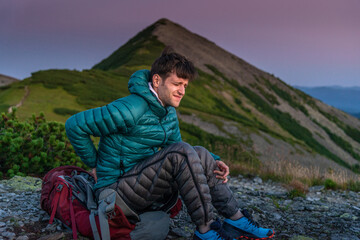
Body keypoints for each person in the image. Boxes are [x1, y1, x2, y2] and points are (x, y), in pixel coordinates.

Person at [65, 47, 275, 240]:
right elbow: (75, 125)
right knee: (183, 153)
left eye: (185, 85)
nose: (182, 91)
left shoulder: (168, 113)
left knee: (199, 153)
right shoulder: (130, 108)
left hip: (140, 184)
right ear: (157, 81)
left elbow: (176, 148)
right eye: (177, 84)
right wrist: (94, 164)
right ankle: (206, 230)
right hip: (115, 192)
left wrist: (214, 161)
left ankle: (235, 220)